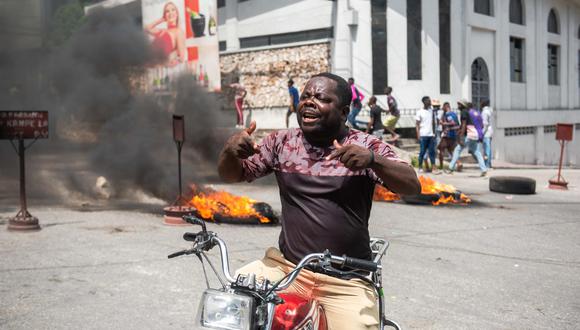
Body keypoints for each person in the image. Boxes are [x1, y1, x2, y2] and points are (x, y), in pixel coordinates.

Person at [217, 72, 420, 330]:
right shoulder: (281, 143)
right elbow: (232, 174)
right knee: (230, 305)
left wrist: (372, 160)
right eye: (305, 97)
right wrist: (230, 151)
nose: (309, 102)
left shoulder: (364, 145)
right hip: (287, 268)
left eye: (321, 98)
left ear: (344, 111)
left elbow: (412, 186)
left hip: (345, 280)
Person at [445, 100, 487, 176]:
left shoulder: (464, 112)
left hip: (468, 134)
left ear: (462, 105)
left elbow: (464, 124)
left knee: (457, 150)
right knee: (476, 152)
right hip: (473, 133)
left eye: (459, 104)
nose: (457, 106)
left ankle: (451, 168)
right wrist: (460, 130)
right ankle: (484, 169)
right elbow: (465, 124)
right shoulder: (467, 112)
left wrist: (461, 136)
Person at [145, 1, 186, 67]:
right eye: (167, 11)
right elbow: (147, 29)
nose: (170, 13)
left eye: (173, 10)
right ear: (165, 15)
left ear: (177, 13)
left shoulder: (178, 32)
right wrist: (161, 20)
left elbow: (181, 58)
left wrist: (169, 64)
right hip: (144, 64)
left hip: (156, 69)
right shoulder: (162, 31)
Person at [415, 96, 438, 173]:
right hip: (423, 135)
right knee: (422, 152)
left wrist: (434, 133)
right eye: (428, 101)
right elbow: (417, 124)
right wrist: (418, 135)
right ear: (424, 102)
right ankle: (420, 167)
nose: (430, 102)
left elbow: (434, 122)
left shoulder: (432, 111)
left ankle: (434, 168)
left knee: (432, 152)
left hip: (431, 135)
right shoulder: (419, 112)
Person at [437, 102, 460, 170]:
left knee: (440, 148)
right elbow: (457, 124)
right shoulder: (454, 114)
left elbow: (452, 123)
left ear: (446, 107)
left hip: (448, 134)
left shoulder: (448, 114)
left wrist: (443, 123)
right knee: (451, 150)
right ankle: (459, 163)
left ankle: (441, 166)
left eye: (443, 107)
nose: (442, 109)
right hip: (453, 134)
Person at [481, 100, 493, 169]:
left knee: (486, 150)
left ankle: (487, 165)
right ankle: (489, 164)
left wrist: (482, 133)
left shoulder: (484, 112)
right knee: (488, 149)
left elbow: (485, 124)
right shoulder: (489, 111)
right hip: (490, 132)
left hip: (486, 133)